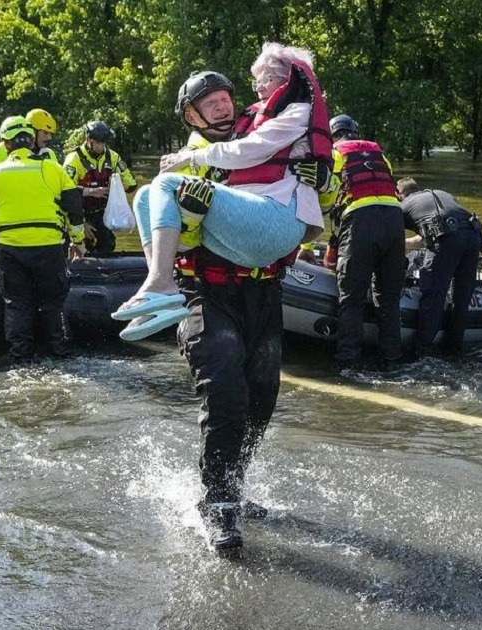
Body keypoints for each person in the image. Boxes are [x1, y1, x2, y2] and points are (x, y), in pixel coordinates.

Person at [114, 42, 331, 552]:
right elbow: (169, 215)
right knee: (227, 394)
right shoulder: (190, 160)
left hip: (263, 291)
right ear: (191, 115)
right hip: (205, 293)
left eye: (223, 97)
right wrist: (192, 206)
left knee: (262, 400)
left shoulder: (264, 132)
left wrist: (322, 174)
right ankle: (218, 505)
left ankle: (233, 485)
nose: (220, 105)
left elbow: (307, 171)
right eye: (206, 102)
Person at [0, 115, 85, 363]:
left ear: (5, 143)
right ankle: (61, 354)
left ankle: (20, 359)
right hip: (49, 248)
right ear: (32, 140)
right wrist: (78, 240)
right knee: (54, 304)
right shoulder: (53, 169)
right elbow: (74, 209)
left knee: (16, 304)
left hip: (11, 250)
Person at [319, 114, 405, 370]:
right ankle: (392, 361)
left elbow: (321, 198)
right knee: (389, 299)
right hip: (394, 220)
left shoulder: (334, 154)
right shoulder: (381, 156)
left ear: (332, 135)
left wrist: (303, 247)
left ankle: (348, 363)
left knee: (352, 298)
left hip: (360, 221)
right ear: (356, 132)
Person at [397, 177, 482, 356]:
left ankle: (422, 349)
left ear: (399, 194)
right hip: (473, 237)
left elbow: (390, 232)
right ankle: (454, 348)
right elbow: (430, 234)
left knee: (433, 295)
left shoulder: (404, 205)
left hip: (447, 241)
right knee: (461, 297)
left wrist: (396, 243)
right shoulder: (440, 194)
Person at [62, 121, 138, 254]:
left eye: (104, 142)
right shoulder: (74, 159)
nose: (102, 146)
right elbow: (65, 193)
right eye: (98, 143)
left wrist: (118, 182)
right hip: (78, 215)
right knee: (73, 248)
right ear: (88, 140)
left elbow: (131, 185)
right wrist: (82, 223)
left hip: (102, 215)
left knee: (107, 245)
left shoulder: (112, 157)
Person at [0, 108, 60, 174]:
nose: (49, 138)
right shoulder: (3, 148)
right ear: (32, 131)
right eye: (45, 133)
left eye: (50, 134)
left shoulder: (50, 154)